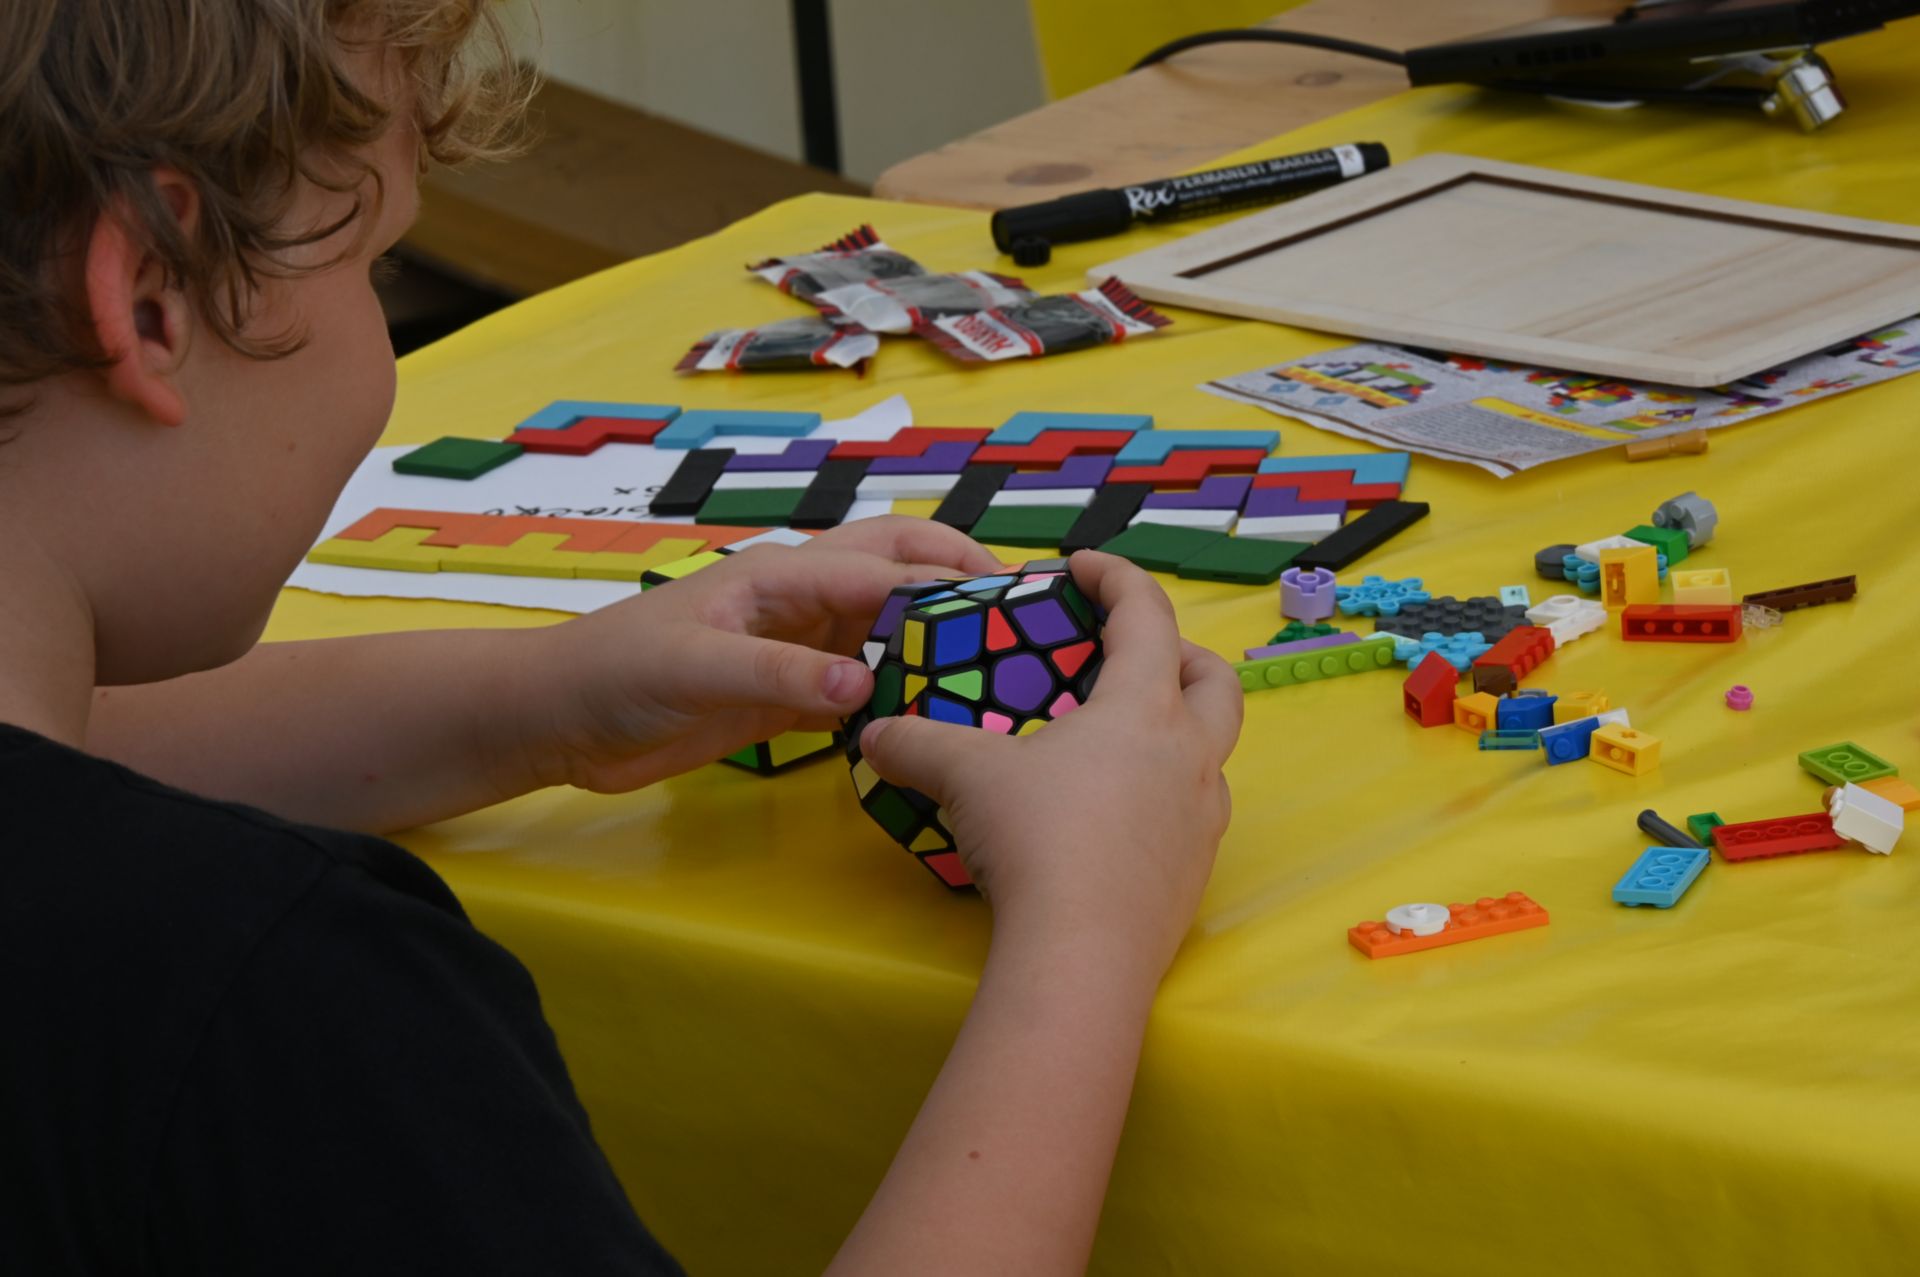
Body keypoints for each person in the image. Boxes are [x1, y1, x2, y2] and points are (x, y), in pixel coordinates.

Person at [0, 2, 1243, 1273]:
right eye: (376, 265)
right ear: (149, 301)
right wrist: (1086, 934)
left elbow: (70, 769)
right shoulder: (276, 1000)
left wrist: (543, 700)